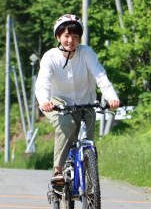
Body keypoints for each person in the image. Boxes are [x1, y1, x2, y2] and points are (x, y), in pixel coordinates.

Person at [36, 14, 121, 185]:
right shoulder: (50, 57)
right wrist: (44, 101)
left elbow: (100, 75)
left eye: (75, 37)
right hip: (58, 104)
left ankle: (89, 183)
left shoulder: (86, 53)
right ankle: (58, 171)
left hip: (85, 102)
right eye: (67, 36)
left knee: (88, 141)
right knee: (68, 126)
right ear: (58, 36)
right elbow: (43, 82)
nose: (71, 40)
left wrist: (111, 97)